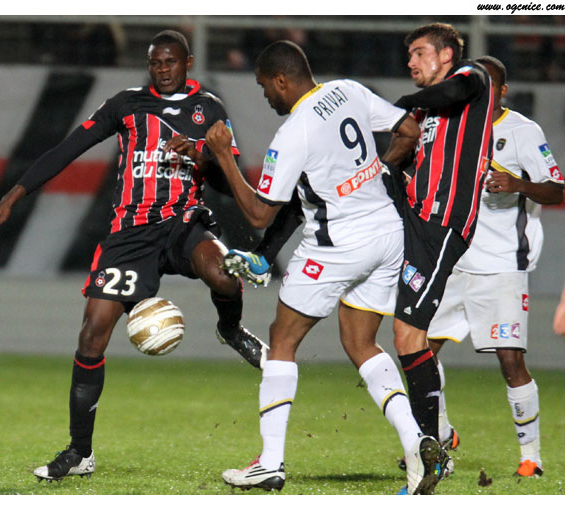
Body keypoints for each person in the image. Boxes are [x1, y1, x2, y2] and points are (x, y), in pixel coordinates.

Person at [0, 30, 268, 482]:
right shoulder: (126, 105)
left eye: (170, 62)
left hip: (184, 221)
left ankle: (230, 330)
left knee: (224, 276)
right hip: (130, 233)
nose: (163, 70)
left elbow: (227, 180)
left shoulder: (209, 109)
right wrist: (12, 197)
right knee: (92, 334)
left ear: (188, 63)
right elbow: (67, 149)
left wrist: (200, 155)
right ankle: (80, 452)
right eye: (155, 63)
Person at [206, 40, 449, 495]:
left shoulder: (294, 133)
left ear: (282, 80)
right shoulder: (348, 90)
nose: (265, 96)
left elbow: (259, 213)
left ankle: (269, 463)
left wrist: (222, 153)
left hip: (336, 246)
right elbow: (409, 129)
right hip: (387, 233)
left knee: (282, 340)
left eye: (264, 86)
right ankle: (418, 445)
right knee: (361, 342)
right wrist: (377, 172)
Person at [425, 55, 564, 478]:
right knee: (419, 351)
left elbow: (557, 189)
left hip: (501, 265)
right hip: (451, 260)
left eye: (487, 86)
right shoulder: (447, 126)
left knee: (510, 360)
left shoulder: (522, 131)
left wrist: (518, 183)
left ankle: (531, 457)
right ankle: (440, 437)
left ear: (502, 91)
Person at [384, 23, 494, 445]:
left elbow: (454, 91)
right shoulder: (425, 112)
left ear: (446, 55)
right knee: (405, 337)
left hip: (442, 223)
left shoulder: (471, 76)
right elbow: (400, 154)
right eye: (409, 54)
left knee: (410, 335)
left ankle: (432, 444)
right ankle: (436, 436)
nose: (410, 62)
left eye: (419, 52)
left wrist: (403, 103)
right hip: (413, 219)